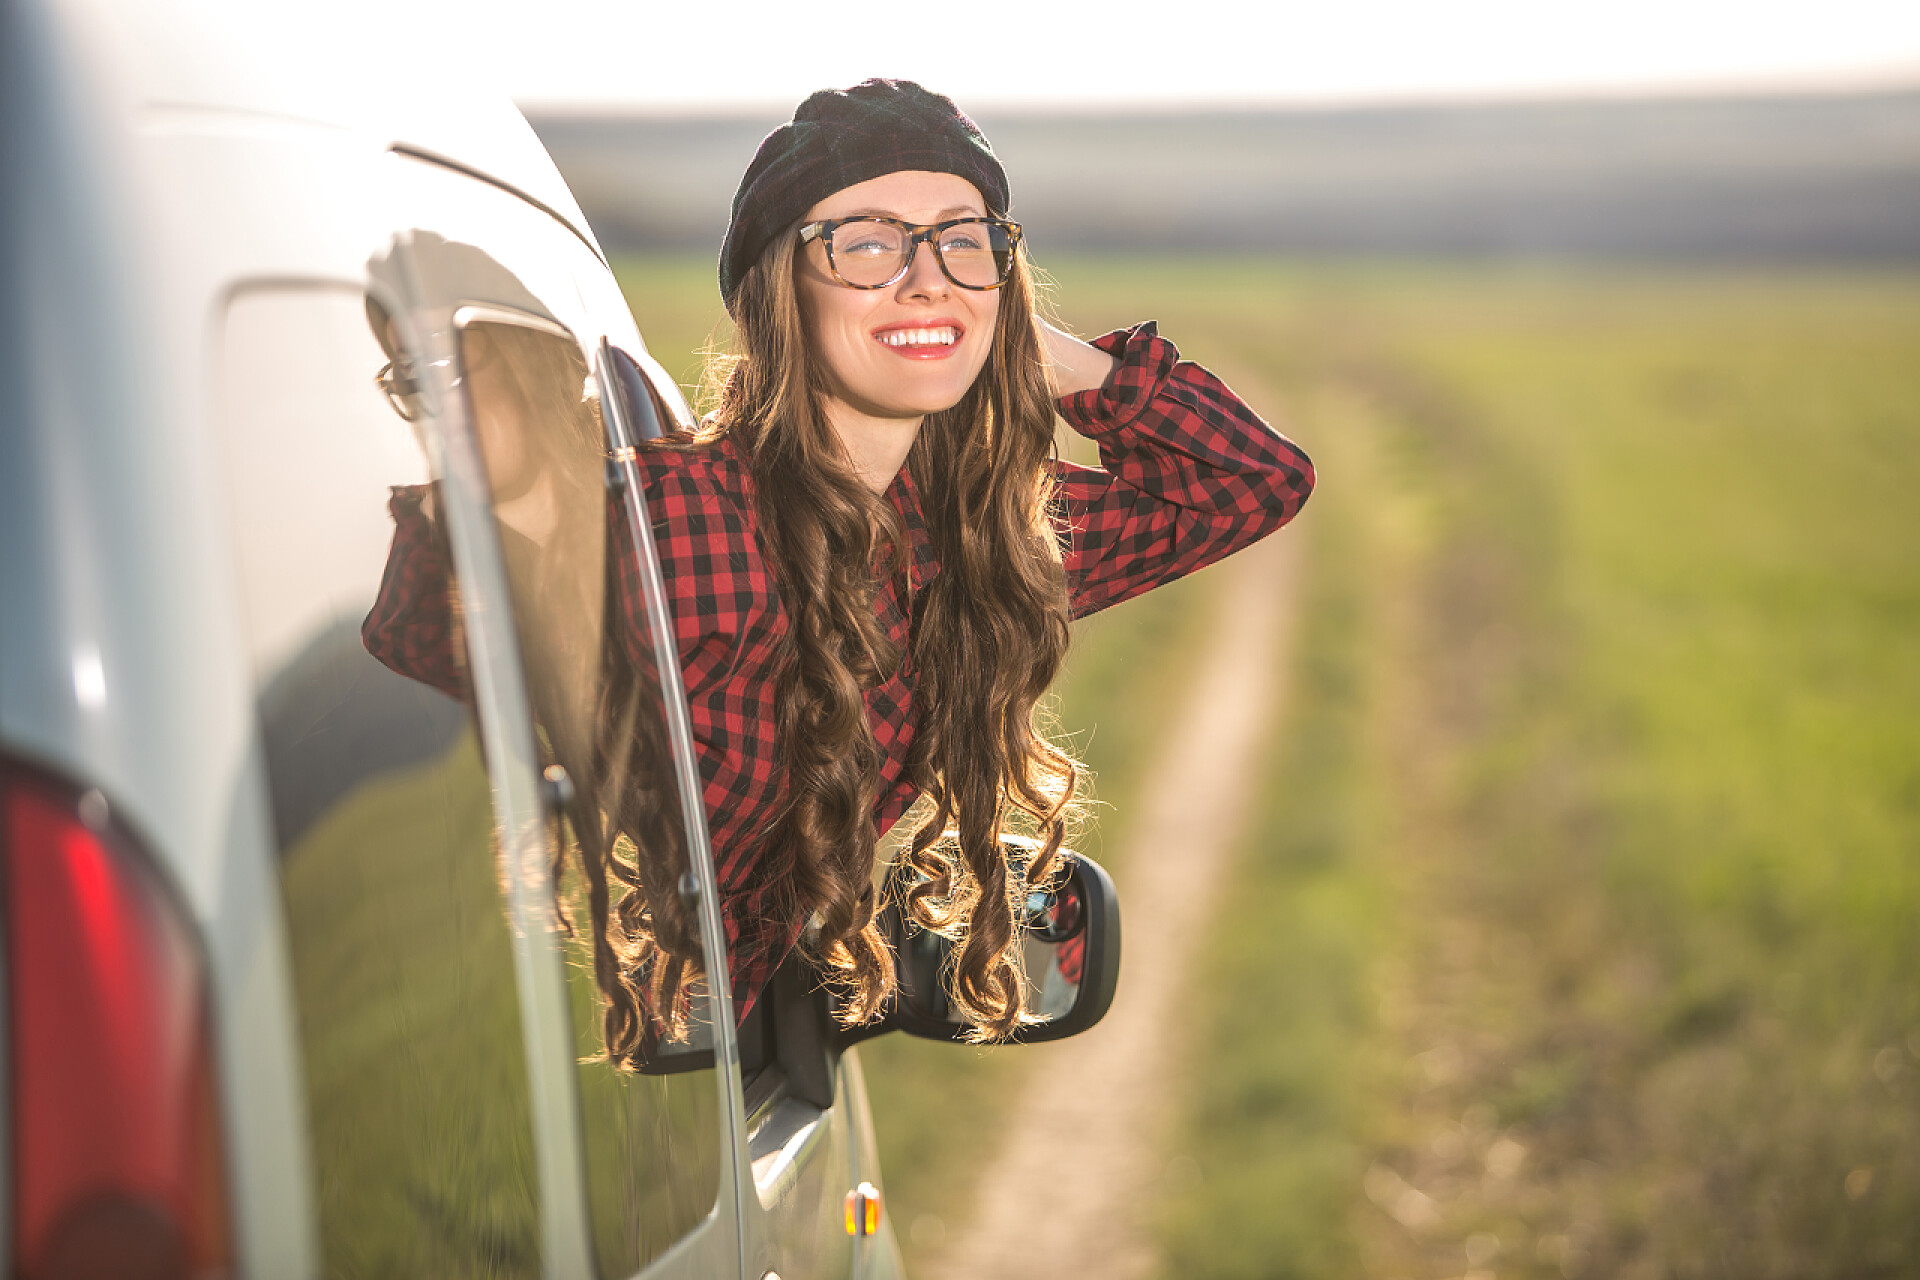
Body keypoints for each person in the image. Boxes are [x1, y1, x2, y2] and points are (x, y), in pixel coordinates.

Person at [365, 80, 1314, 1057]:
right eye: (867, 243)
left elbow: (1248, 483)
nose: (926, 275)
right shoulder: (672, 520)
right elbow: (422, 657)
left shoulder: (977, 539)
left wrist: (1014, 337)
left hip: (685, 1105)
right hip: (592, 1089)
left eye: (962, 238)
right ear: (780, 291)